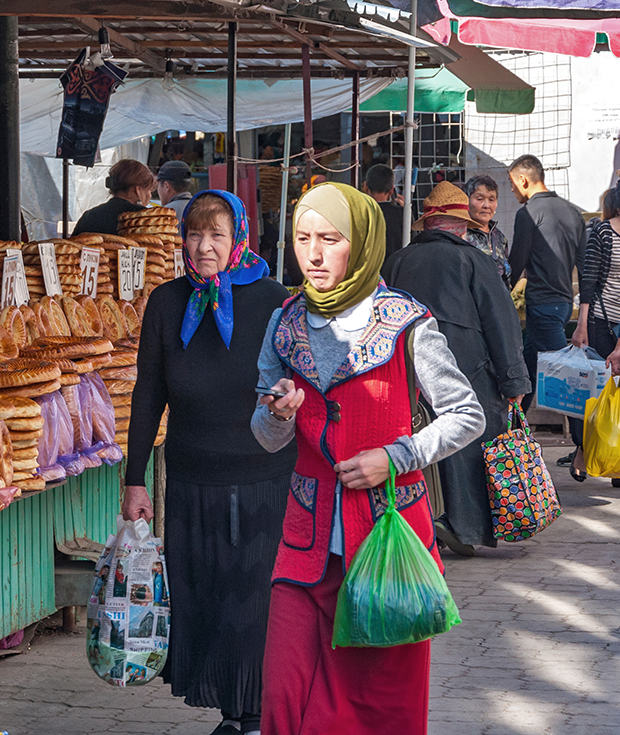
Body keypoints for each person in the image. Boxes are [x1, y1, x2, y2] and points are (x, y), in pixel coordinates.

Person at [251, 182, 484, 735]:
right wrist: (280, 415)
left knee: (382, 713)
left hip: (389, 550)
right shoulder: (284, 325)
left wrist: (396, 456)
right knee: (283, 699)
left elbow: (466, 413)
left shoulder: (408, 324)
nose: (312, 254)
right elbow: (264, 436)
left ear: (359, 243)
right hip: (305, 552)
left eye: (329, 240)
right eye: (302, 238)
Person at [123, 190, 296, 735]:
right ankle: (233, 710)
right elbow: (148, 394)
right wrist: (135, 480)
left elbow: (301, 383)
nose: (204, 247)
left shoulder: (274, 299)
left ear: (239, 238)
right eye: (195, 234)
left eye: (217, 235)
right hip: (193, 478)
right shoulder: (167, 302)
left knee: (254, 600)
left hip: (262, 476)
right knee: (207, 598)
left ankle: (253, 713)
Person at [384, 182, 530, 555]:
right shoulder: (475, 260)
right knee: (469, 441)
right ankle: (464, 526)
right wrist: (514, 378)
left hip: (408, 367)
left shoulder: (398, 260)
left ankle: (427, 517)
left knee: (424, 440)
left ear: (430, 224)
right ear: (461, 226)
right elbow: (502, 323)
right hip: (470, 367)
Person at [507, 154, 587, 462]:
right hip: (563, 304)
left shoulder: (528, 213)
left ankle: (582, 447)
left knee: (567, 378)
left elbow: (517, 262)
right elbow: (584, 265)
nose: (514, 192)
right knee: (525, 369)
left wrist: (500, 295)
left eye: (513, 185)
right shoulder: (572, 212)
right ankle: (513, 434)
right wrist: (582, 315)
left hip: (541, 305)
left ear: (523, 181)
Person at [573, 186, 620, 485]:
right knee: (598, 392)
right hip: (601, 321)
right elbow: (588, 279)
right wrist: (581, 325)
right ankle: (584, 449)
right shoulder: (602, 232)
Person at [72, 159, 155, 236]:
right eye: (149, 191)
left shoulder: (89, 216)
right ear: (138, 190)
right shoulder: (147, 220)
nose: (150, 196)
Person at [464, 175, 510, 284]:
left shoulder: (500, 237)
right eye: (479, 199)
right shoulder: (461, 236)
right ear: (467, 201)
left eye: (491, 199)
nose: (486, 205)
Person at [362, 163, 403, 259]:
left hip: (369, 269)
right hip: (396, 268)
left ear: (365, 187)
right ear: (392, 190)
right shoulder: (402, 215)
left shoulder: (361, 213)